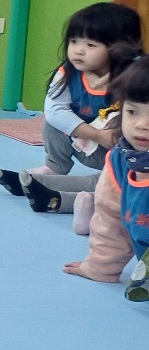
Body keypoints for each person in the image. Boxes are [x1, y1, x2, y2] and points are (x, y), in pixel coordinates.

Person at [0, 2, 142, 230]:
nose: (78, 50)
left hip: (122, 153)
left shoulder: (136, 75)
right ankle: (51, 171)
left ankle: (59, 198)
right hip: (89, 143)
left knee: (113, 181)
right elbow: (55, 110)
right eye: (74, 41)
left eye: (91, 45)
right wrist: (96, 135)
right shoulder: (69, 72)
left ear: (119, 48)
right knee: (54, 122)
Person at [63, 53, 149, 300]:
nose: (142, 124)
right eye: (132, 112)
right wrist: (101, 267)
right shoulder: (121, 161)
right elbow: (110, 221)